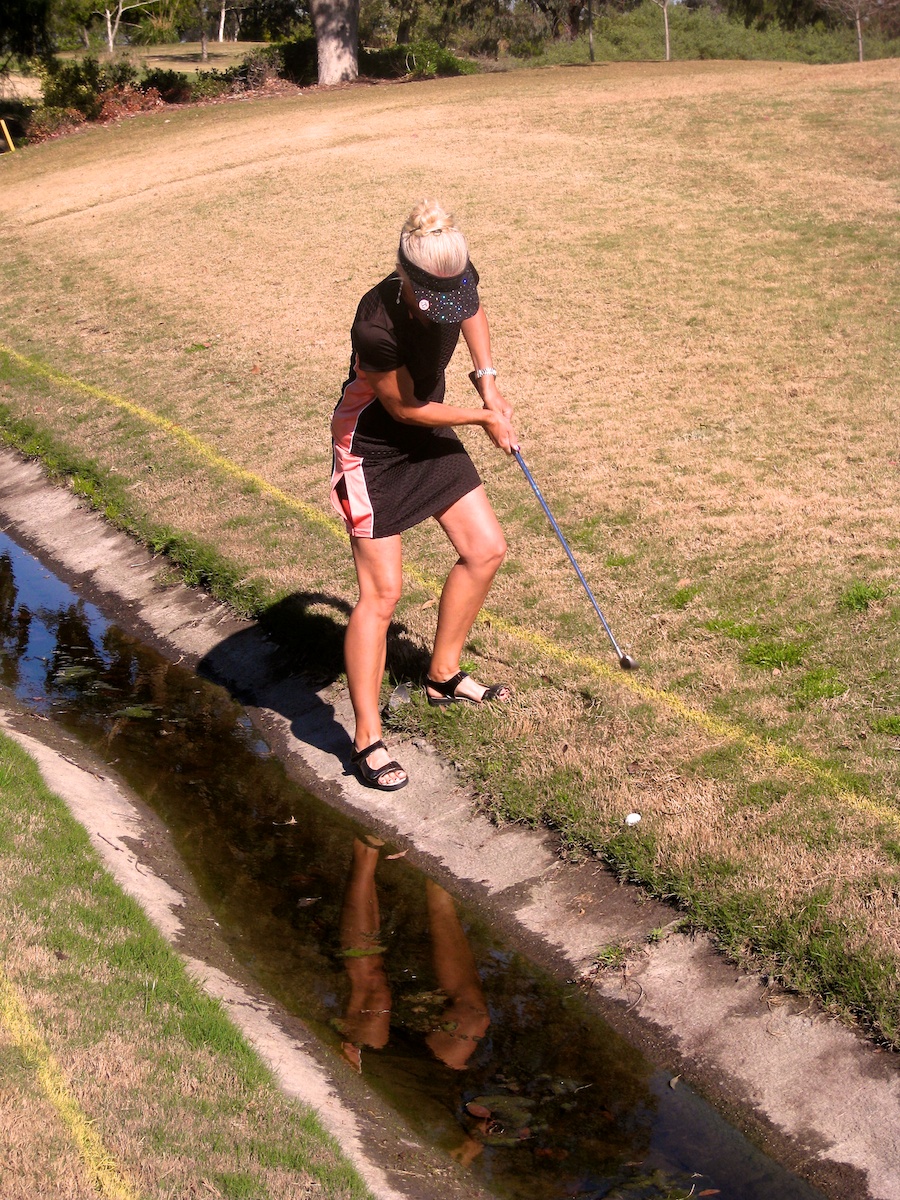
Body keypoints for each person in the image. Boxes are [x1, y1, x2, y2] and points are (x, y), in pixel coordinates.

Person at [330, 199, 517, 791]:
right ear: (404, 278)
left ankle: (441, 676)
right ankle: (367, 737)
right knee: (382, 596)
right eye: (432, 301)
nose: (445, 312)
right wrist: (484, 418)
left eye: (452, 295)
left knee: (485, 549)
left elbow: (473, 312)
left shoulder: (450, 268)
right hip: (375, 447)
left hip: (431, 422)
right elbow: (405, 408)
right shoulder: (376, 327)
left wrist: (487, 379)